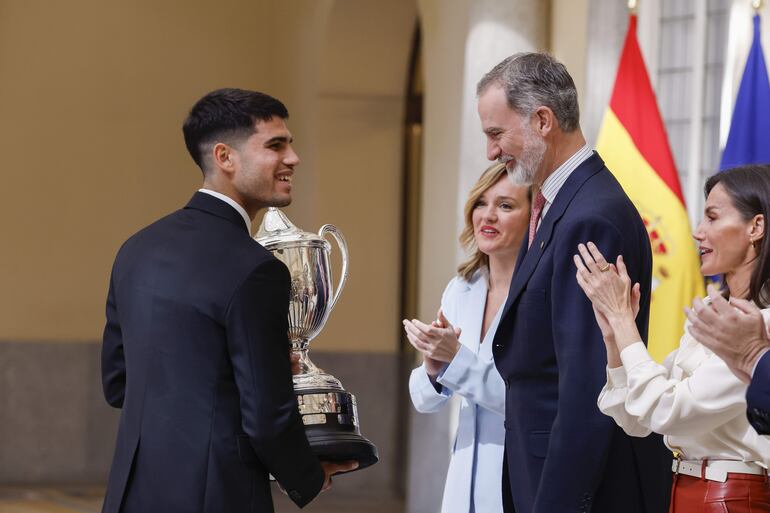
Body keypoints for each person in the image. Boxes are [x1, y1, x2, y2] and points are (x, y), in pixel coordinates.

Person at [100, 88, 355, 513]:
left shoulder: (135, 249)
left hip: (132, 493)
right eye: (276, 145)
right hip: (216, 495)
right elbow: (266, 419)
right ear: (225, 157)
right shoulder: (257, 268)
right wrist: (308, 474)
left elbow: (117, 382)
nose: (293, 158)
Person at [476, 52, 671, 513]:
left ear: (542, 120)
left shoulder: (592, 217)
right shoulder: (562, 203)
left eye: (496, 133)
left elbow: (588, 386)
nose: (490, 152)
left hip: (579, 491)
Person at [574, 164, 770, 512]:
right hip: (686, 488)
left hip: (733, 497)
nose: (698, 232)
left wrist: (624, 321)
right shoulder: (714, 309)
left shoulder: (762, 324)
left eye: (712, 217)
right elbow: (637, 419)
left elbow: (670, 410)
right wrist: (614, 339)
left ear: (756, 227)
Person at [405, 162, 530, 513]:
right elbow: (425, 402)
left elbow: (527, 403)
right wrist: (433, 367)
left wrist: (456, 359)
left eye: (506, 205)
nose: (488, 216)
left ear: (534, 218)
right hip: (463, 482)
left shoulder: (541, 295)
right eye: (481, 203)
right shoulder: (462, 288)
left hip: (515, 481)